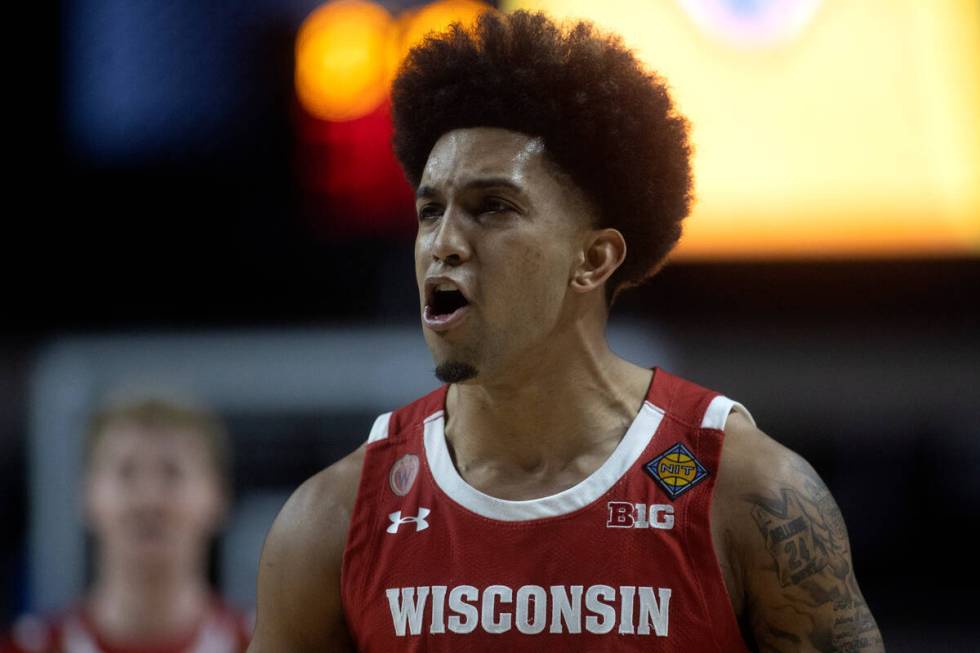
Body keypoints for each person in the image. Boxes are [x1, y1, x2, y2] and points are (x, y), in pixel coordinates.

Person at [248, 10, 884, 652]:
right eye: (430, 211)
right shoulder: (333, 518)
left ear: (593, 259)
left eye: (492, 207)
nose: (443, 243)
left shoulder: (750, 494)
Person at [3, 398, 251, 653]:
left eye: (172, 472)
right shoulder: (25, 647)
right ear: (86, 495)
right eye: (126, 472)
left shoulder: (266, 645)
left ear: (219, 496)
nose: (148, 499)